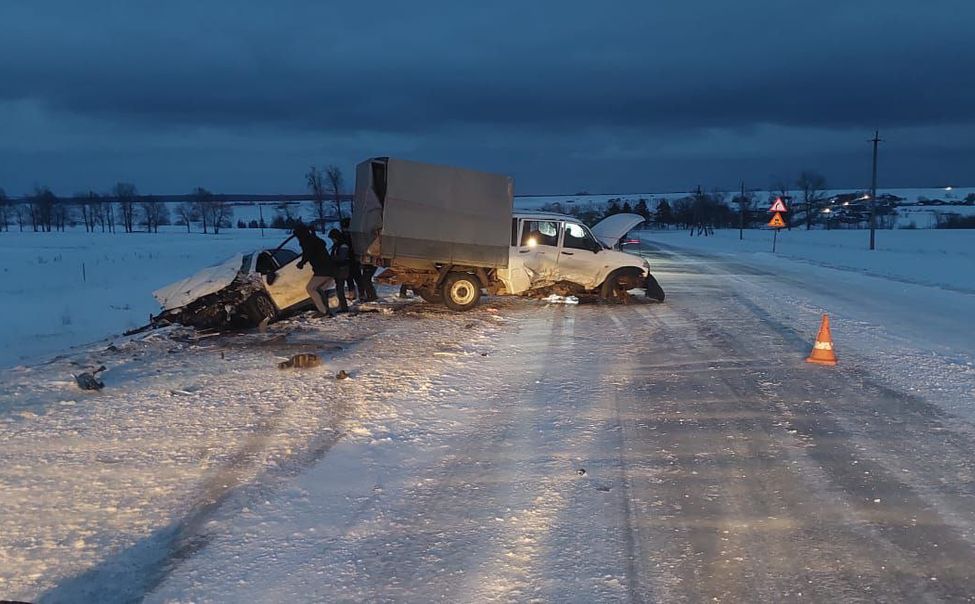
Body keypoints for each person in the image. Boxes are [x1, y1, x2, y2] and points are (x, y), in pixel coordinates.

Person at [294, 224, 338, 317]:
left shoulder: (307, 242)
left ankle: (323, 311)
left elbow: (307, 253)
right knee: (320, 289)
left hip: (322, 270)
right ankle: (325, 310)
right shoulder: (315, 240)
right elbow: (313, 248)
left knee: (310, 288)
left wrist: (301, 263)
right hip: (330, 269)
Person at [327, 229, 351, 313]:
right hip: (339, 269)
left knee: (340, 289)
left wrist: (330, 258)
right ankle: (343, 306)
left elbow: (342, 258)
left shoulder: (343, 245)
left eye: (333, 238)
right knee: (338, 288)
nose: (332, 240)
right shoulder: (338, 245)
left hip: (342, 269)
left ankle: (344, 307)